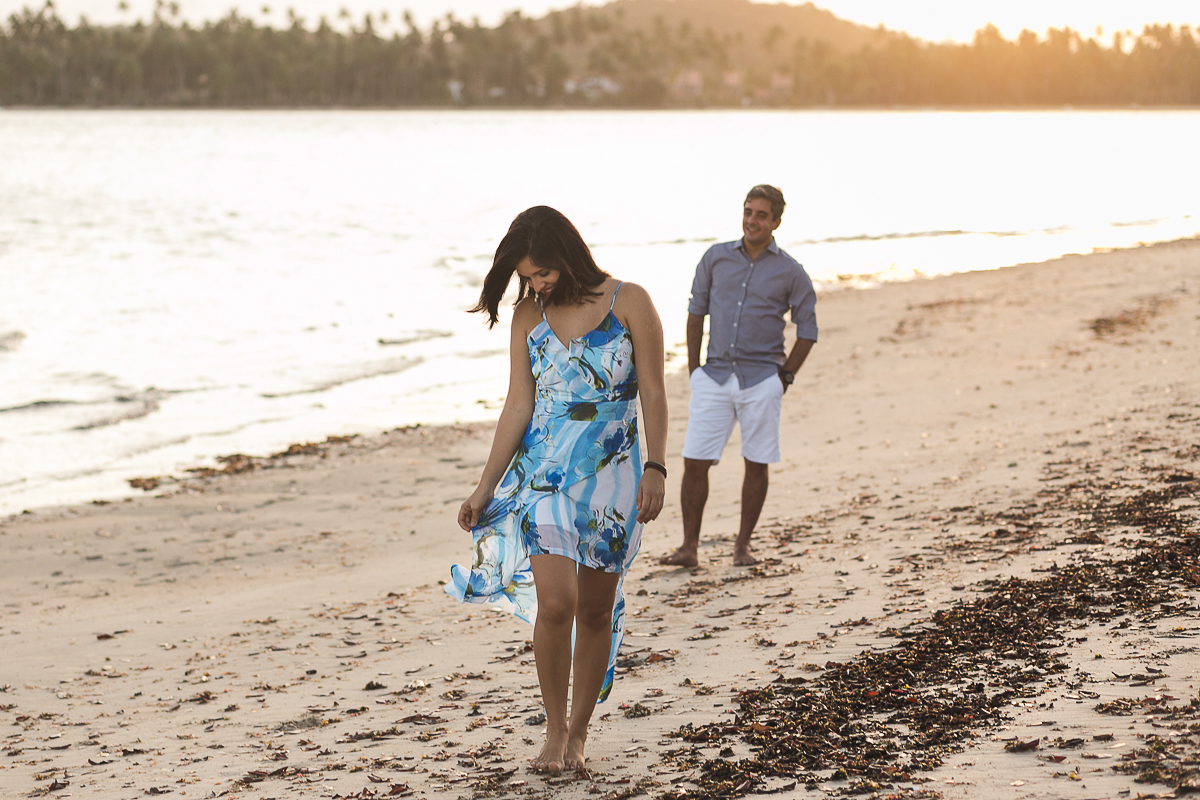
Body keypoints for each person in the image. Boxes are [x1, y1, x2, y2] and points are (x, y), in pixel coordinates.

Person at [447, 206, 668, 776]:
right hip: (543, 473)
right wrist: (483, 487)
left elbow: (653, 392)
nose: (538, 283)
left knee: (595, 611)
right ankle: (551, 728)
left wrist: (658, 467)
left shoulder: (631, 302)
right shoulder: (529, 315)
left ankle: (577, 733)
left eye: (542, 272)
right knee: (558, 604)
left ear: (568, 253)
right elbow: (519, 403)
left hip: (614, 475)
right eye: (527, 276)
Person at [659, 184, 817, 568]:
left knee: (756, 461)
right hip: (712, 378)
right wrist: (694, 369)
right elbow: (696, 313)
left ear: (776, 221)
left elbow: (807, 330)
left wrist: (785, 378)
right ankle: (688, 549)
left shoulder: (791, 271)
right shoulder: (715, 258)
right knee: (694, 461)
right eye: (748, 212)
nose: (752, 220)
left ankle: (742, 546)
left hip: (762, 379)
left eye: (761, 215)